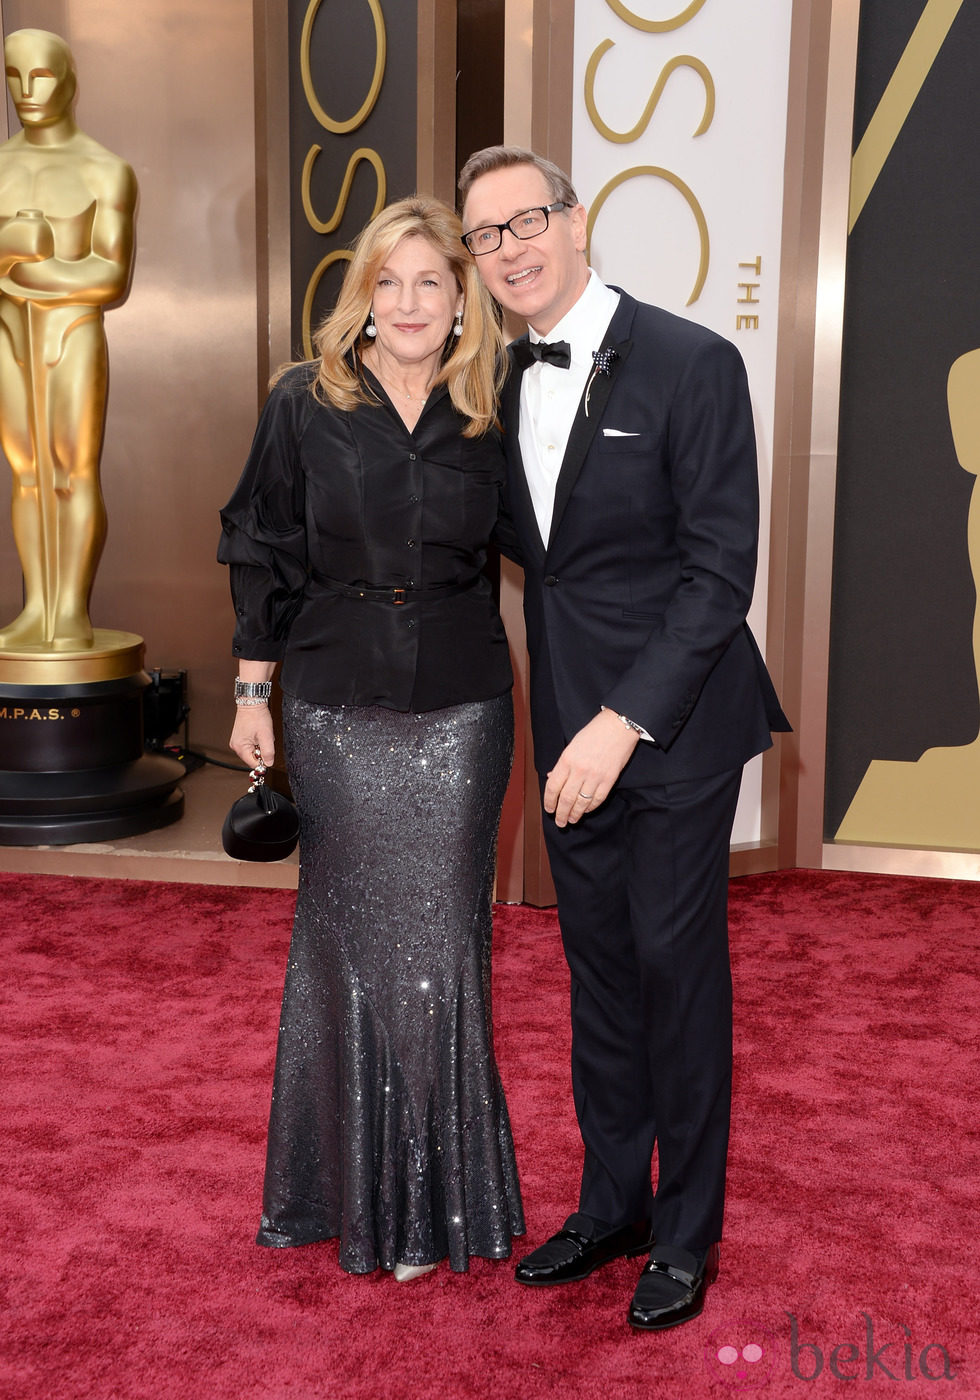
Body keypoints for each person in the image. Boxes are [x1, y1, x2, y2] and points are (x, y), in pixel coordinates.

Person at [459, 147, 789, 1329]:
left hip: (675, 726)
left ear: (577, 217)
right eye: (485, 235)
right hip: (566, 731)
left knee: (672, 966)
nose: (510, 247)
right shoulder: (491, 383)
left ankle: (686, 1232)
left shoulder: (693, 361)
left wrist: (619, 721)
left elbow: (717, 574)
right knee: (595, 968)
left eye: (527, 218)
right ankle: (613, 1203)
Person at [218, 195, 524, 1281]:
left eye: (428, 283)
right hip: (337, 705)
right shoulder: (305, 402)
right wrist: (252, 690)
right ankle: (347, 1196)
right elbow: (258, 542)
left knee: (442, 949)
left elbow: (553, 540)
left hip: (459, 710)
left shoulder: (495, 405)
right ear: (363, 295)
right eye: (387, 282)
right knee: (346, 945)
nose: (406, 302)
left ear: (460, 300)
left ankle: (441, 1200)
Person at [0, 28, 136, 651]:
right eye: (14, 76)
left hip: (72, 332)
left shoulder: (104, 171)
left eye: (42, 76)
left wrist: (29, 268)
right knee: (26, 473)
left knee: (72, 472)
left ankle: (70, 611)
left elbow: (110, 274)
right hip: (10, 334)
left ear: (69, 80)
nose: (27, 91)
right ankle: (37, 607)